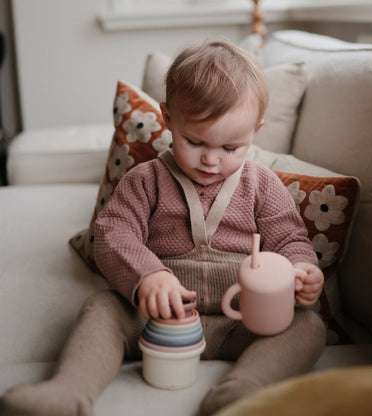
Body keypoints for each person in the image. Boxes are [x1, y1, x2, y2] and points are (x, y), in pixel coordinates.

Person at [0, 40, 325, 416]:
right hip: (159, 316)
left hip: (243, 317)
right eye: (195, 141)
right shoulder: (146, 180)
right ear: (167, 118)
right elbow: (112, 233)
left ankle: (243, 392)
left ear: (256, 130)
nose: (210, 160)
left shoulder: (263, 184)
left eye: (231, 147)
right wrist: (147, 276)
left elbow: (289, 237)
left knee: (305, 325)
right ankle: (67, 393)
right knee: (102, 307)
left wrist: (302, 270)